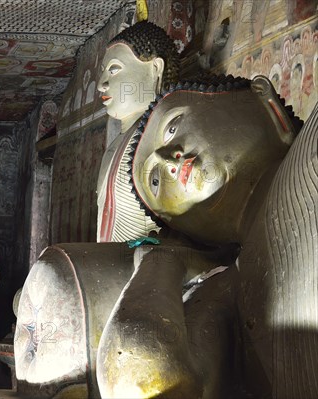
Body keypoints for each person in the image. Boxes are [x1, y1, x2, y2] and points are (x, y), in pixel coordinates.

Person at [96, 74, 306, 398]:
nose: (167, 160)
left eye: (172, 127)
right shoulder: (227, 290)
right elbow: (135, 375)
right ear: (180, 229)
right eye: (155, 181)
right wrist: (163, 260)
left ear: (267, 104)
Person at [96, 21, 180, 243]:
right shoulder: (115, 145)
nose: (101, 84)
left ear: (155, 69)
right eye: (103, 72)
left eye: (114, 69)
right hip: (108, 269)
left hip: (148, 270)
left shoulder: (168, 134)